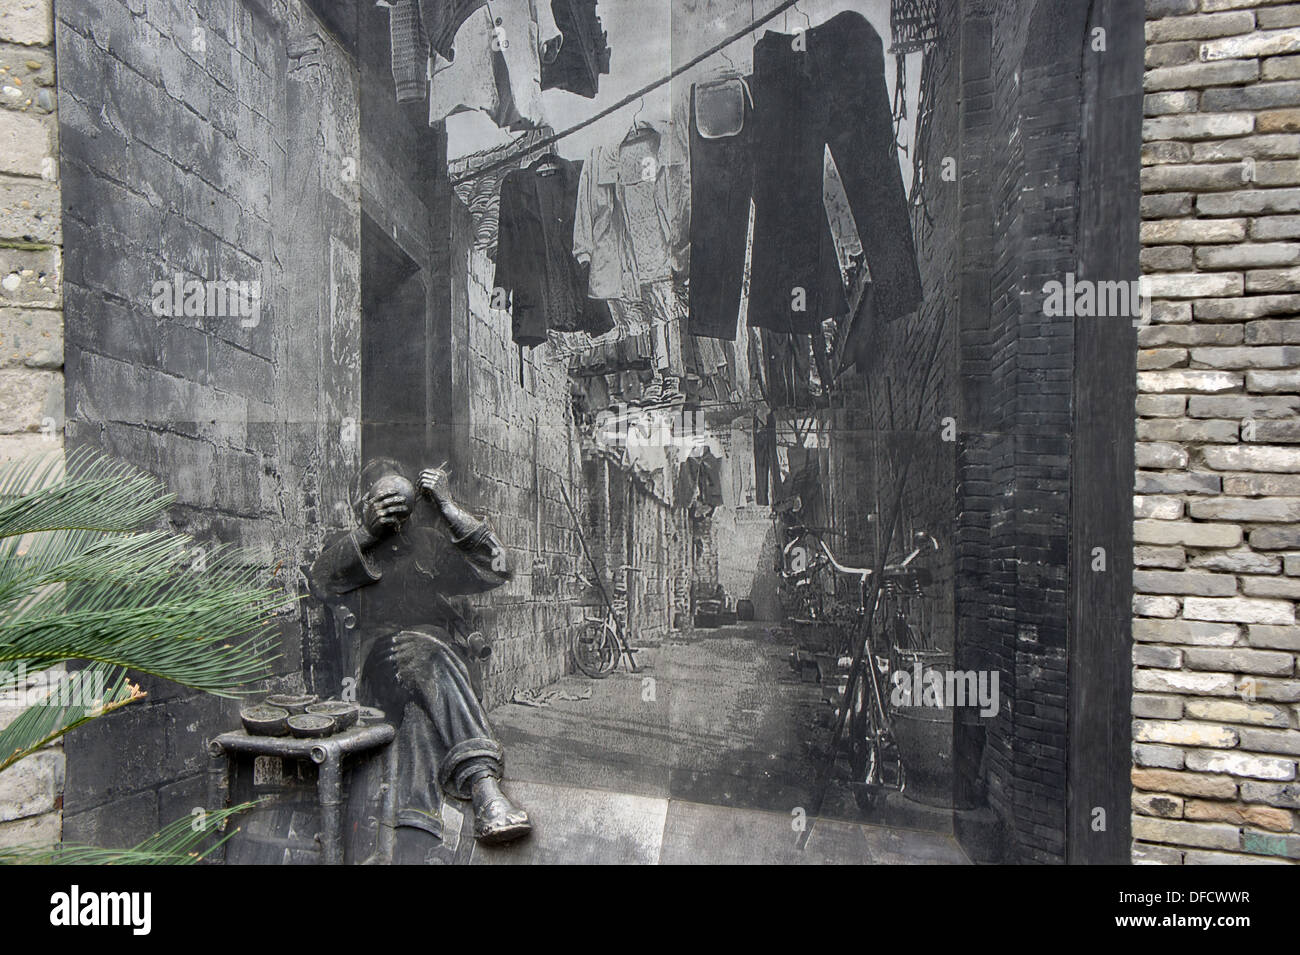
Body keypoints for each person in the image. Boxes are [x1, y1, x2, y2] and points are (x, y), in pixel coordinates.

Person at [310, 457, 531, 848]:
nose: (393, 512)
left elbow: (500, 567)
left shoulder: (429, 545)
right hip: (376, 669)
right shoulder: (348, 546)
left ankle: (416, 838)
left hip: (435, 675)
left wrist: (448, 507)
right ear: (363, 504)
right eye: (378, 502)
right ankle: (484, 785)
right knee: (422, 650)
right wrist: (365, 532)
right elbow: (321, 582)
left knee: (419, 723)